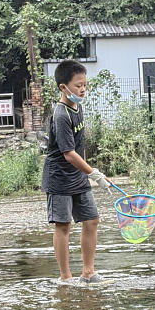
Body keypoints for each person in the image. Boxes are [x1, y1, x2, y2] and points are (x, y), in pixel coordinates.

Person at [41, 59, 111, 285]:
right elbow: (69, 153)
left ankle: (89, 272)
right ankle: (66, 277)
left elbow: (79, 149)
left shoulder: (78, 107)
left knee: (92, 220)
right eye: (78, 85)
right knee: (64, 226)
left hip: (78, 177)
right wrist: (95, 174)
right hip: (59, 177)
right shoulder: (61, 115)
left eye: (85, 85)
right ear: (63, 87)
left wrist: (90, 172)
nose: (83, 89)